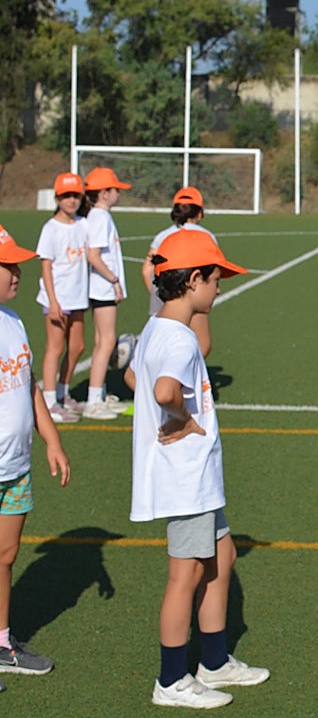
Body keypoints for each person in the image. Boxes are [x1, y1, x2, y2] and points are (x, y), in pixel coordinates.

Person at [124, 230, 268, 709]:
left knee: (221, 559)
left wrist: (166, 408)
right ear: (192, 281)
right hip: (184, 479)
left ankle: (214, 660)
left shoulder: (157, 329)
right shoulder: (181, 339)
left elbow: (135, 376)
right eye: (215, 278)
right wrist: (182, 419)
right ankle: (170, 681)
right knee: (183, 577)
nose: (220, 288)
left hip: (197, 479)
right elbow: (165, 390)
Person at [0, 224, 71, 684]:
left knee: (5, 555)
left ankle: (2, 642)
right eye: (8, 265)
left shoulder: (13, 321)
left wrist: (52, 439)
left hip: (15, 467)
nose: (18, 273)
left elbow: (29, 388)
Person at [35, 172, 90, 424]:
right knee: (55, 348)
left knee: (77, 347)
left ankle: (62, 391)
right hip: (57, 299)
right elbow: (46, 266)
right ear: (57, 198)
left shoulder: (83, 224)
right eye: (66, 196)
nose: (71, 201)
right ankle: (48, 402)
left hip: (78, 298)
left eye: (75, 195)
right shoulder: (51, 229)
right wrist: (53, 302)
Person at [141, 187, 218, 357]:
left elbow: (147, 270)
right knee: (200, 346)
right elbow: (211, 273)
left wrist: (161, 295)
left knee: (160, 347)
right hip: (190, 296)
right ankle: (182, 380)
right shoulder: (205, 236)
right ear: (199, 213)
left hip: (164, 296)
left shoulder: (163, 236)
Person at [82, 167, 133, 420]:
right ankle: (94, 401)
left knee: (103, 341)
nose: (118, 194)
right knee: (106, 342)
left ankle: (99, 394)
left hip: (101, 287)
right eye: (115, 190)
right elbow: (94, 255)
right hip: (102, 287)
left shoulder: (98, 216)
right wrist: (114, 281)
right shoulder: (100, 217)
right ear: (103, 193)